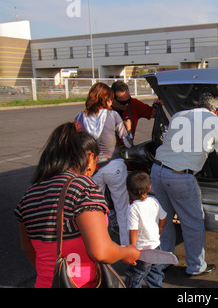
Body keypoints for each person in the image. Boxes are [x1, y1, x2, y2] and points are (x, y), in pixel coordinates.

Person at [15, 122, 140, 288]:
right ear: (89, 158)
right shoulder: (83, 188)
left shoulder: (29, 195)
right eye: (96, 159)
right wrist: (127, 252)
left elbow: (28, 250)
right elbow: (100, 251)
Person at [151, 92, 218, 276]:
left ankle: (164, 261)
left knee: (164, 220)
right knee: (192, 222)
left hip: (157, 170)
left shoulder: (179, 115)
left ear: (197, 105)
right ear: (217, 110)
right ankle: (196, 267)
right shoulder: (217, 121)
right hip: (180, 177)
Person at [75, 82, 133, 245]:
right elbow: (128, 143)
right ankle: (125, 246)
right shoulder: (113, 115)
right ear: (105, 99)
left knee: (96, 210)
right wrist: (128, 129)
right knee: (122, 210)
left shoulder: (80, 118)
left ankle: (99, 247)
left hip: (92, 170)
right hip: (114, 165)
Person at [125, 170, 167, 288]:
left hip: (141, 251)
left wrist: (132, 249)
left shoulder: (133, 208)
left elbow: (133, 231)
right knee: (155, 275)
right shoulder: (154, 201)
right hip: (156, 246)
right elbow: (164, 217)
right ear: (149, 188)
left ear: (128, 190)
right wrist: (160, 228)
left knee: (135, 276)